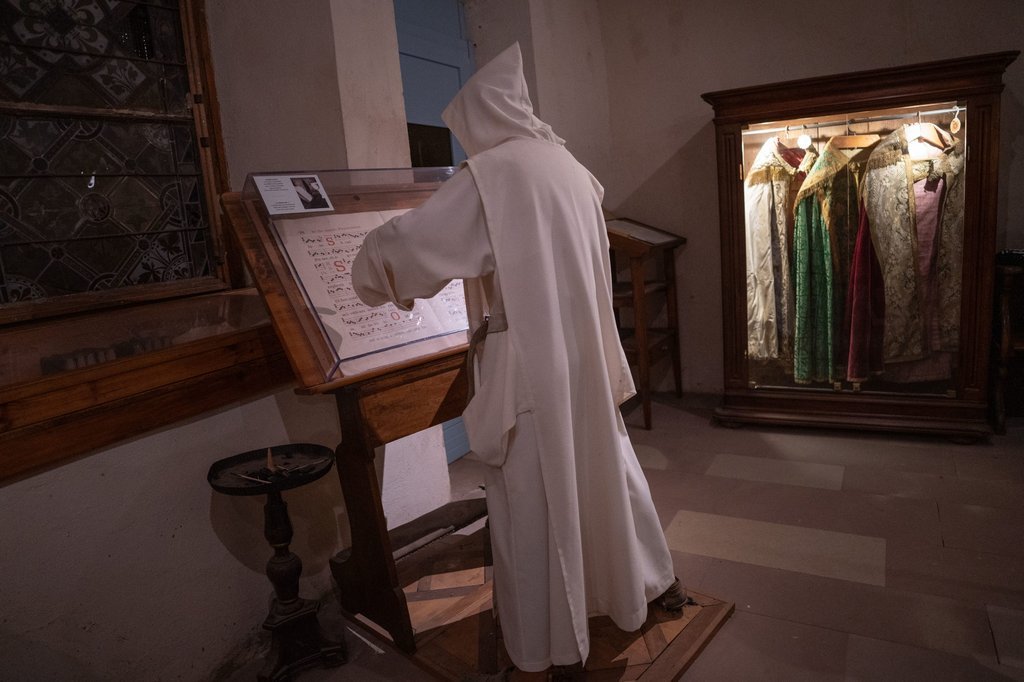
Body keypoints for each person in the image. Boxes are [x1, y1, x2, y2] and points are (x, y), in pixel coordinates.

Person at [352, 43, 684, 681]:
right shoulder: (571, 168)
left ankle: (551, 644)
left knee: (535, 500)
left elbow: (410, 249)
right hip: (581, 355)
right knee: (600, 475)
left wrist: (363, 266)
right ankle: (633, 589)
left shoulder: (495, 176)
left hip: (531, 363)